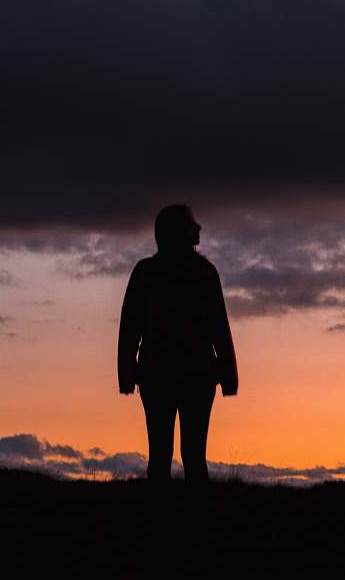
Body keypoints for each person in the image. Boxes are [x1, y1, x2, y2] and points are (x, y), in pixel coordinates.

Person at [117, 204, 238, 495]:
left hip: (187, 375)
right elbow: (131, 326)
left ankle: (193, 521)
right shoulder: (153, 273)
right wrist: (126, 374)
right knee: (163, 454)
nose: (199, 229)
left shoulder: (202, 273)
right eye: (192, 224)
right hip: (171, 375)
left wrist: (228, 375)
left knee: (191, 455)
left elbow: (219, 327)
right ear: (177, 232)